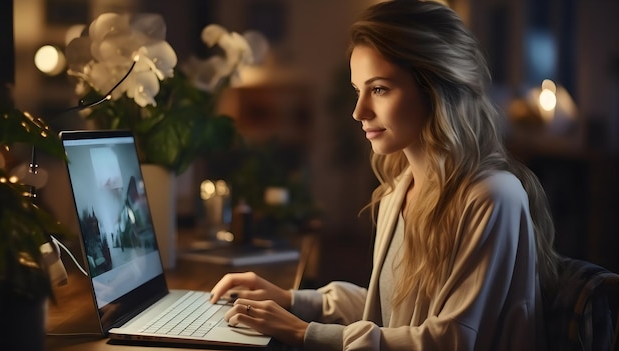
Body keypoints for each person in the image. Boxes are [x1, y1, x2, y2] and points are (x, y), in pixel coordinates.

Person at [209, 0, 560, 349]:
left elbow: (451, 339)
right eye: (357, 90)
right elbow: (391, 314)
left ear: (436, 88)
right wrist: (293, 299)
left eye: (379, 89)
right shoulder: (399, 190)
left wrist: (304, 332)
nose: (359, 111)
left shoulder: (493, 196)